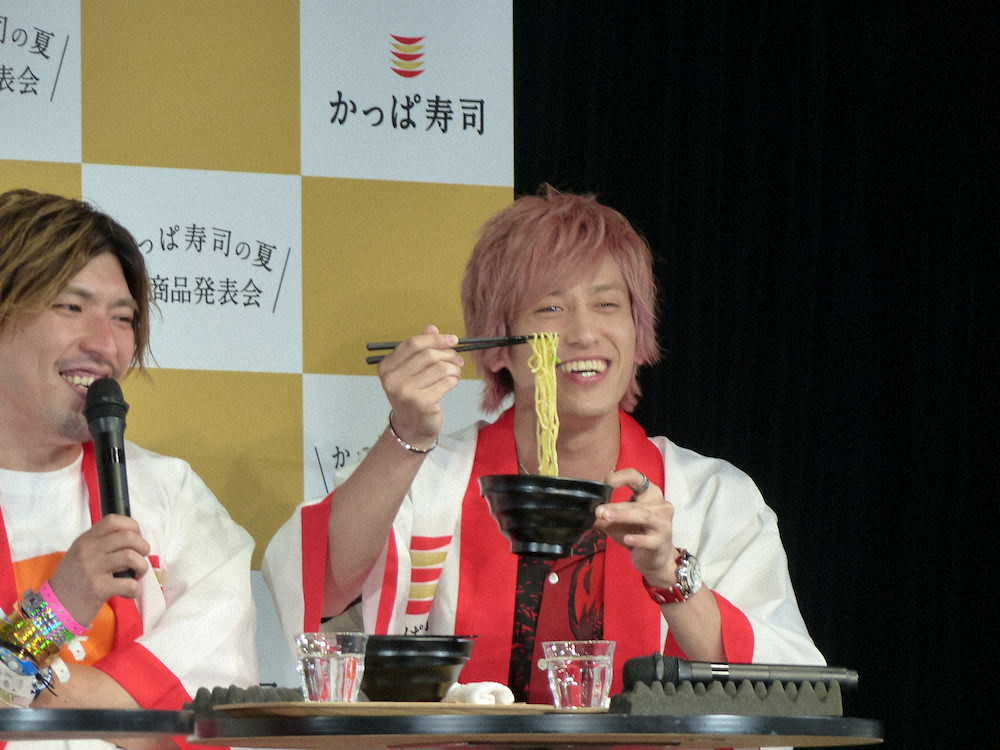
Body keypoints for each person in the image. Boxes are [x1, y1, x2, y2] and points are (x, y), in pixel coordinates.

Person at [264, 188, 822, 703]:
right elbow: (320, 590)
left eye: (608, 305)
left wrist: (667, 573)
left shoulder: (711, 496)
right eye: (550, 308)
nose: (583, 333)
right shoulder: (433, 478)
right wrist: (407, 433)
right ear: (498, 347)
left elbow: (786, 689)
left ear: (638, 333)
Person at [0, 189, 256, 746]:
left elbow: (214, 697)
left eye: (123, 318)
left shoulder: (168, 491)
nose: (105, 344)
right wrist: (57, 608)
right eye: (71, 307)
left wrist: (34, 694)